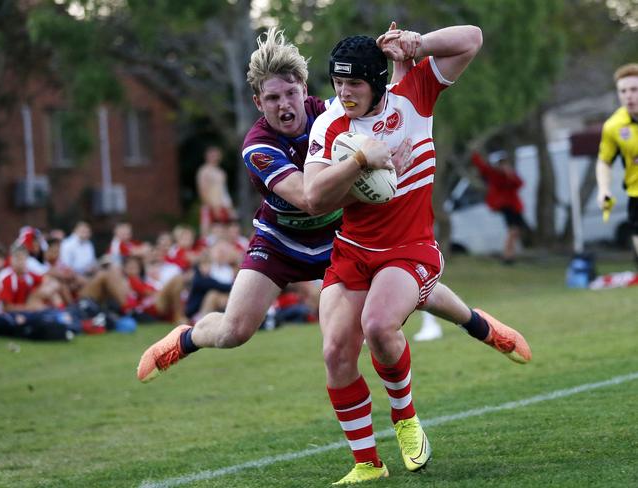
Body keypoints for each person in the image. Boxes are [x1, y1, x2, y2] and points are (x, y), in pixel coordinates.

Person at [303, 27, 531, 484]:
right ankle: (367, 464)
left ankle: (405, 417)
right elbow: (313, 198)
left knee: (378, 326)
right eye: (338, 82)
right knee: (334, 352)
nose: (344, 93)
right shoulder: (329, 125)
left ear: (378, 81)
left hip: (410, 247)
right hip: (353, 251)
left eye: (355, 84)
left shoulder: (413, 94)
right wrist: (359, 161)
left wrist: (417, 44)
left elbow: (473, 38)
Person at [136, 25, 417, 384]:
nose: (284, 104)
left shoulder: (331, 112)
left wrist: (397, 61)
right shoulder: (259, 147)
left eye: (290, 93)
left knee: (410, 283)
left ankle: (478, 325)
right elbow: (310, 200)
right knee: (233, 332)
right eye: (272, 98)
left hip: (336, 236)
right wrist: (370, 173)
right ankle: (186, 338)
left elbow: (383, 104)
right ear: (258, 102)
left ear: (304, 88)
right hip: (280, 241)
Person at [596, 63, 638, 265]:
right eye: (623, 91)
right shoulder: (613, 126)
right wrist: (604, 190)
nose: (628, 96)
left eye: (634, 90)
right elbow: (604, 161)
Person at [471, 151, 529, 264]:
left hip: (514, 206)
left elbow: (519, 184)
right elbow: (482, 167)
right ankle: (507, 256)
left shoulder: (510, 175)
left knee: (515, 231)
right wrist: (475, 153)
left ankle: (510, 254)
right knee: (512, 231)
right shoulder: (494, 174)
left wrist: (509, 174)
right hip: (507, 206)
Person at [197, 145, 238, 236]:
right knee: (207, 232)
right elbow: (202, 190)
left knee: (224, 231)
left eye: (216, 155)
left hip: (222, 205)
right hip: (210, 206)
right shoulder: (204, 171)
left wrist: (229, 207)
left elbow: (224, 191)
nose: (214, 157)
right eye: (212, 155)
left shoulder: (221, 172)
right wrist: (210, 205)